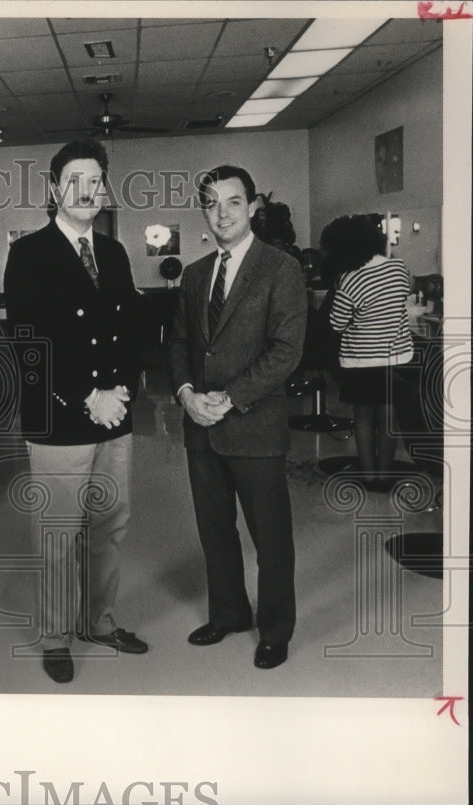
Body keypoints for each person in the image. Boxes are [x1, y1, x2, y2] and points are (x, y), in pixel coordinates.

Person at [4, 139, 146, 684]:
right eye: (76, 180)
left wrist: (123, 391)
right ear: (54, 189)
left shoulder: (113, 252)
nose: (88, 191)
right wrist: (90, 394)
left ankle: (100, 622)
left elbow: (130, 329)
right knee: (60, 532)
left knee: (111, 524)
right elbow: (30, 342)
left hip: (116, 415)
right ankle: (57, 637)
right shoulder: (29, 252)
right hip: (62, 416)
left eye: (97, 181)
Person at [167, 165, 306, 671]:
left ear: (252, 208)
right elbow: (180, 342)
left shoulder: (280, 269)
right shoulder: (196, 274)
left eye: (232, 201)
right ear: (203, 212)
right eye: (211, 203)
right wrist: (185, 394)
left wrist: (226, 398)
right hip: (200, 428)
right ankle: (229, 613)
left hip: (253, 424)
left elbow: (286, 351)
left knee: (270, 539)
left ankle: (275, 629)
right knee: (215, 530)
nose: (222, 212)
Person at [323, 214, 413, 490]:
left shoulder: (349, 280)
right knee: (389, 417)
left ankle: (369, 476)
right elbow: (400, 301)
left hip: (361, 360)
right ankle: (385, 476)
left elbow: (336, 324)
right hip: (396, 357)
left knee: (363, 418)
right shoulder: (399, 268)